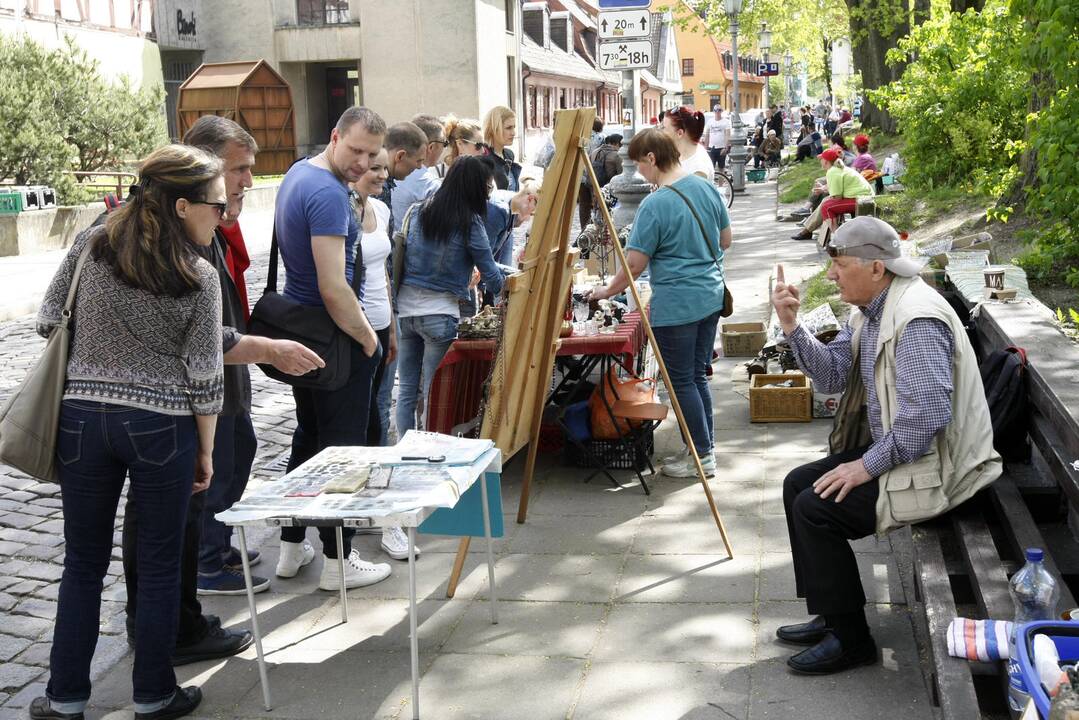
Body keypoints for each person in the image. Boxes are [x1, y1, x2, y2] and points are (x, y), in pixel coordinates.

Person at [32, 144, 226, 720]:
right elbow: (204, 378)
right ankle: (153, 695)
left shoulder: (91, 247)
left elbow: (47, 320)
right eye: (218, 206)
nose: (223, 216)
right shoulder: (197, 275)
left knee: (83, 564)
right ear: (184, 205)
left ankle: (64, 699)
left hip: (82, 422)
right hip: (162, 428)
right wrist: (207, 452)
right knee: (161, 564)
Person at [769, 216, 1001, 674]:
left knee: (816, 509)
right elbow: (833, 375)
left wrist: (865, 467)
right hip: (910, 451)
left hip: (945, 468)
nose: (832, 274)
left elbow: (927, 419)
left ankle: (852, 641)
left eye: (840, 264)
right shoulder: (872, 308)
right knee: (799, 484)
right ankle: (833, 613)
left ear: (877, 267)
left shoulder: (914, 317)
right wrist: (792, 326)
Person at [273, 106, 391, 590]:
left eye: (371, 154)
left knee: (309, 438)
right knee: (342, 452)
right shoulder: (325, 192)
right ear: (335, 135)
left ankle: (290, 544)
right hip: (334, 335)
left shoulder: (299, 173)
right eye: (356, 150)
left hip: (306, 333)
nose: (363, 163)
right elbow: (334, 287)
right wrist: (370, 341)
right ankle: (339, 561)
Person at [588, 129, 731, 478]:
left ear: (651, 158)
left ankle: (702, 455)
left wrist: (606, 291)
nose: (640, 172)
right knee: (696, 377)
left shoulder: (656, 203)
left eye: (639, 163)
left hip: (678, 302)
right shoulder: (706, 187)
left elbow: (634, 265)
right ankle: (703, 449)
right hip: (711, 294)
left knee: (682, 381)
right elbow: (725, 240)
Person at [394, 156, 508, 435]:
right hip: (440, 313)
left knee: (408, 389)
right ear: (476, 188)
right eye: (487, 188)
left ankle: (405, 449)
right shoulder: (469, 221)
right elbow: (491, 275)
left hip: (406, 312)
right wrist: (511, 284)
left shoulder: (416, 211)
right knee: (435, 390)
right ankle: (430, 449)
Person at [348, 148, 415, 561]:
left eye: (384, 169)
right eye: (374, 168)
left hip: (380, 327)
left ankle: (385, 519)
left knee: (380, 423)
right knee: (359, 427)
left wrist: (390, 327)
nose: (382, 176)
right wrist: (365, 334)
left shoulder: (383, 211)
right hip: (354, 335)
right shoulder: (341, 213)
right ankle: (358, 520)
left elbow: (382, 275)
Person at [791, 147, 872, 241]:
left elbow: (837, 197)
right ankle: (807, 230)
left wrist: (825, 191)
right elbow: (838, 188)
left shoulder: (833, 171)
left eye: (821, 159)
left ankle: (837, 237)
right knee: (826, 201)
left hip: (861, 199)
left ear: (826, 161)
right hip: (863, 197)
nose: (820, 161)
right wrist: (823, 189)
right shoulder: (838, 168)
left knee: (827, 206)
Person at [375, 121, 427, 235]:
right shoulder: (376, 186)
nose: (419, 167)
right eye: (418, 161)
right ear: (400, 156)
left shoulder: (383, 183)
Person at [661, 105, 713, 180]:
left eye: (664, 128)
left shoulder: (698, 170)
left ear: (680, 133)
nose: (661, 132)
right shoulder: (682, 153)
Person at [427, 115, 485, 180]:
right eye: (479, 145)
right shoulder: (434, 175)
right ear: (460, 144)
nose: (483, 151)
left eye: (484, 145)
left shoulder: (482, 175)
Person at [577, 117, 607, 230]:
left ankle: (584, 229)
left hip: (581, 175)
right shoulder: (601, 137)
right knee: (597, 203)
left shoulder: (581, 138)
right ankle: (596, 229)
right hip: (595, 174)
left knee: (584, 204)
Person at [484, 105, 522, 191]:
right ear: (493, 129)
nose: (513, 133)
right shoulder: (483, 158)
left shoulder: (509, 154)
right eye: (508, 128)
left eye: (514, 127)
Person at [703, 105, 731, 170]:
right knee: (711, 168)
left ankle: (721, 180)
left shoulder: (726, 122)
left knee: (721, 167)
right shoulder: (710, 121)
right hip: (711, 148)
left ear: (721, 111)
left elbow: (728, 135)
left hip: (721, 148)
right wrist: (705, 148)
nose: (717, 112)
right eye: (716, 110)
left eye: (719, 110)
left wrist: (726, 148)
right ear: (714, 111)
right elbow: (707, 135)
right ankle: (712, 180)